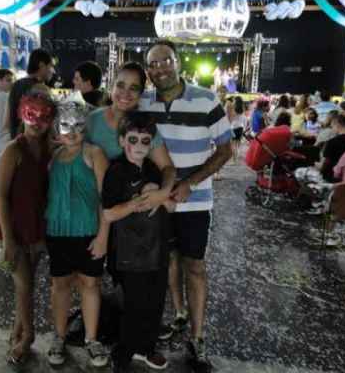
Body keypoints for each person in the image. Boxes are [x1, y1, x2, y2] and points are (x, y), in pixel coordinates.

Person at [141, 40, 232, 373]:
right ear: (148, 70)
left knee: (194, 266)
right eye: (153, 64)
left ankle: (197, 338)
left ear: (177, 62)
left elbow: (226, 150)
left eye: (166, 60)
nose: (160, 68)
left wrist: (189, 183)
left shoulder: (206, 99)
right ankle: (178, 314)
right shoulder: (143, 103)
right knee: (165, 263)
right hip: (158, 202)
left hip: (195, 202)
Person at [103, 112, 173, 373]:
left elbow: (172, 206)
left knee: (155, 302)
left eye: (145, 141)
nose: (140, 146)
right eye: (133, 139)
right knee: (133, 306)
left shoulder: (154, 169)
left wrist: (162, 196)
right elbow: (109, 214)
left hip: (157, 248)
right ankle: (124, 353)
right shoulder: (115, 171)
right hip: (129, 253)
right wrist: (136, 203)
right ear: (122, 141)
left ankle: (147, 348)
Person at [45, 93, 109, 368]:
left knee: (90, 284)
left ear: (86, 126)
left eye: (78, 125)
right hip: (57, 231)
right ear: (57, 127)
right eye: (65, 125)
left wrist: (103, 236)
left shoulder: (94, 153)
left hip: (88, 231)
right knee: (60, 285)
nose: (71, 132)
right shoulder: (54, 157)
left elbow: (106, 199)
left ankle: (91, 339)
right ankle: (59, 336)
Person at [0, 91, 56, 365]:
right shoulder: (13, 150)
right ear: (21, 115)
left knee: (26, 286)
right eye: (32, 114)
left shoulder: (49, 149)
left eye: (44, 116)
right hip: (12, 226)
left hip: (36, 226)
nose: (37, 122)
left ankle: (17, 330)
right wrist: (8, 239)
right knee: (25, 284)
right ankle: (28, 336)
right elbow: (0, 195)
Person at [8, 49, 55, 135]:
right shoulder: (40, 88)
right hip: (34, 139)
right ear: (42, 65)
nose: (52, 71)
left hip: (17, 138)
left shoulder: (16, 85)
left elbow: (8, 118)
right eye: (51, 66)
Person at [230, 96, 247, 163]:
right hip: (240, 127)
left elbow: (231, 118)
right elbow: (244, 118)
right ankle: (237, 156)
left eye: (234, 100)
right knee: (238, 144)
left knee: (233, 144)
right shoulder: (242, 108)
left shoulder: (233, 108)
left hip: (233, 128)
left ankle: (234, 160)